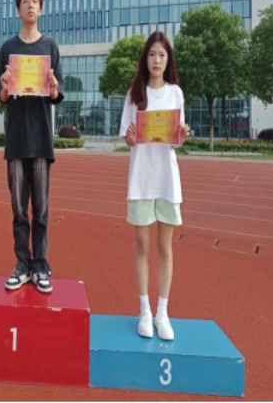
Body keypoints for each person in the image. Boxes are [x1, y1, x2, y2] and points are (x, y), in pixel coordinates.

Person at [0, 0, 64, 294]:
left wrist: (53, 88)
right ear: (18, 9)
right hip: (16, 140)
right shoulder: (8, 49)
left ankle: (40, 265)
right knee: (19, 209)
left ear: (41, 9)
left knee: (42, 209)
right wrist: (5, 86)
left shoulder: (50, 47)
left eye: (35, 1)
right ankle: (22, 263)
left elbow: (56, 96)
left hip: (42, 140)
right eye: (25, 1)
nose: (31, 5)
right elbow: (0, 96)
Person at [119, 32, 191, 341]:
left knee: (165, 247)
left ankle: (163, 312)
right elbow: (127, 137)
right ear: (145, 59)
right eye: (152, 54)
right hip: (141, 180)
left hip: (166, 180)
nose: (157, 60)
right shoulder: (134, 94)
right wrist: (130, 137)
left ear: (168, 59)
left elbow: (175, 140)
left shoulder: (175, 93)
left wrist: (181, 137)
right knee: (142, 246)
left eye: (162, 55)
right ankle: (144, 311)